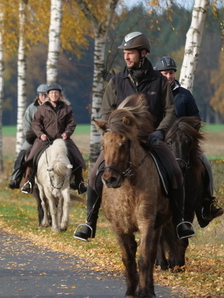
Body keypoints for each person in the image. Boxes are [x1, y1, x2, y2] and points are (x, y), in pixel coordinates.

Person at [74, 32, 195, 242]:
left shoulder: (159, 81)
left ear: (143, 53)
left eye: (130, 53)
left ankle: (180, 222)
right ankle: (89, 222)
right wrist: (114, 131)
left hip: (151, 140)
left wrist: (160, 132)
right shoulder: (116, 82)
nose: (126, 57)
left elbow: (170, 112)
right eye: (125, 53)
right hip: (120, 142)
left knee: (175, 170)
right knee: (94, 174)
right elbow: (105, 112)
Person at [154, 56, 223, 226]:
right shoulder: (153, 95)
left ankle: (206, 205)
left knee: (204, 163)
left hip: (183, 144)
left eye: (170, 73)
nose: (168, 76)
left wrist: (187, 133)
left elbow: (196, 118)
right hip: (159, 142)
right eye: (164, 73)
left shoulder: (184, 95)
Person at [20, 83, 87, 195]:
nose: (54, 95)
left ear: (60, 95)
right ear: (48, 95)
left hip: (62, 139)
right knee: (31, 156)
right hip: (44, 139)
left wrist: (67, 133)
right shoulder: (41, 109)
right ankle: (28, 182)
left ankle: (79, 182)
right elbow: (36, 123)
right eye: (52, 93)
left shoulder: (67, 109)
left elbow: (71, 123)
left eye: (56, 93)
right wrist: (41, 134)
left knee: (76, 155)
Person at [7, 83, 49, 189]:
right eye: (41, 95)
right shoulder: (31, 108)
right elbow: (26, 125)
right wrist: (35, 135)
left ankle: (75, 180)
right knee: (22, 155)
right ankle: (15, 179)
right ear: (38, 95)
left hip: (50, 138)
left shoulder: (53, 107)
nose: (43, 97)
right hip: (33, 138)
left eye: (45, 95)